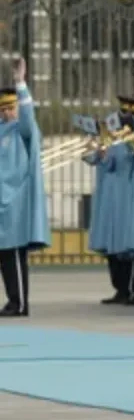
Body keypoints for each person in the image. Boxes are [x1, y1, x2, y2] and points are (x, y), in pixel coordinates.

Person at [0, 58, 47, 317]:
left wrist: (21, 84)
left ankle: (19, 303)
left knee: (14, 254)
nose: (7, 112)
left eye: (11, 107)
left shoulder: (23, 131)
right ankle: (11, 299)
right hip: (1, 202)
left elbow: (29, 118)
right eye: (3, 108)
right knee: (4, 256)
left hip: (15, 202)